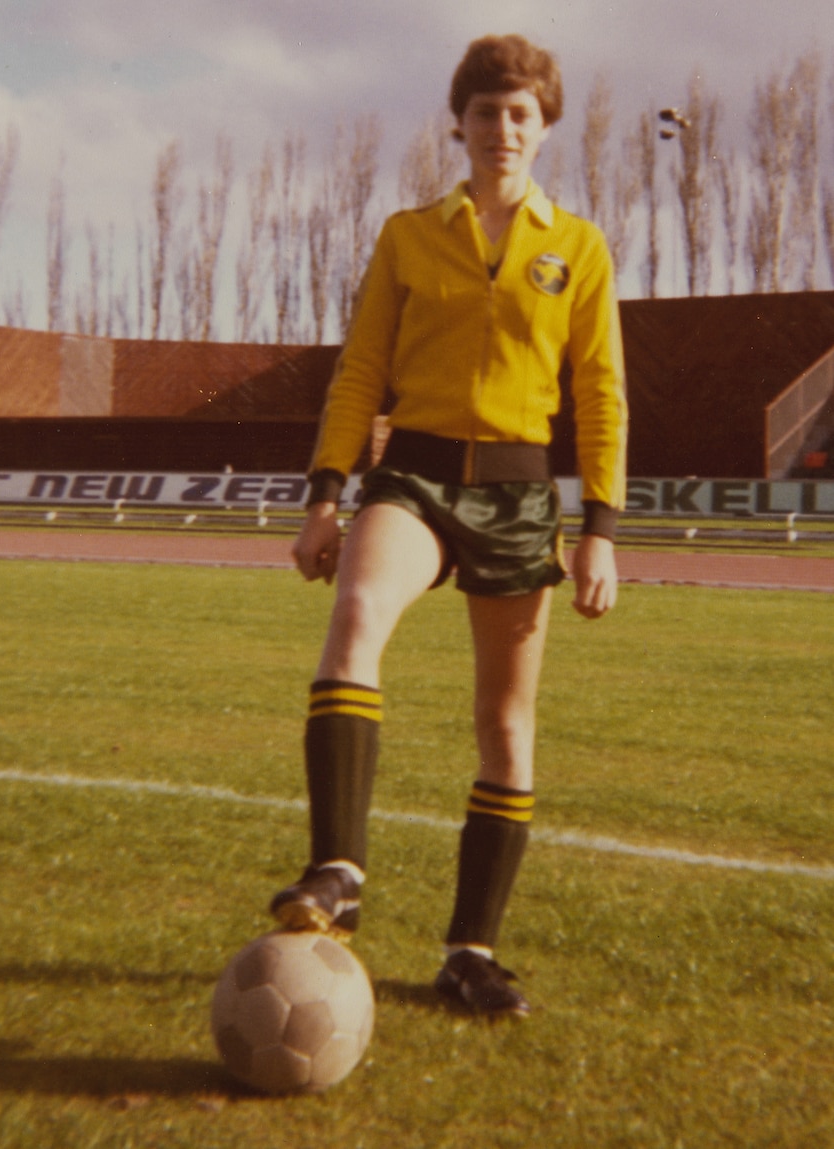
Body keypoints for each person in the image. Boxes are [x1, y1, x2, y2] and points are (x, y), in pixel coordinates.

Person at [270, 33, 628, 1017]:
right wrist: (325, 496)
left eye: (521, 113)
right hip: (415, 475)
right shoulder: (407, 234)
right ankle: (336, 871)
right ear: (458, 124)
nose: (502, 129)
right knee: (353, 622)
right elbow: (359, 371)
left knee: (504, 725)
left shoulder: (580, 247)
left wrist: (598, 525)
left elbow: (599, 393)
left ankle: (469, 952)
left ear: (544, 127)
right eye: (485, 111)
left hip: (519, 497)